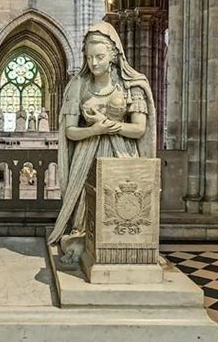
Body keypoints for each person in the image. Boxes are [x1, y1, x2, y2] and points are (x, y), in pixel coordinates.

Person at [48, 21, 156, 264]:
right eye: (89, 57)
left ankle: (128, 246)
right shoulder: (79, 85)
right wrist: (95, 130)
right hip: (87, 154)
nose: (93, 63)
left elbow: (139, 129)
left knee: (125, 202)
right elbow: (70, 132)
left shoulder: (132, 85)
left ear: (113, 55)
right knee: (85, 206)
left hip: (123, 153)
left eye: (99, 56)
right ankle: (82, 239)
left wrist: (109, 124)